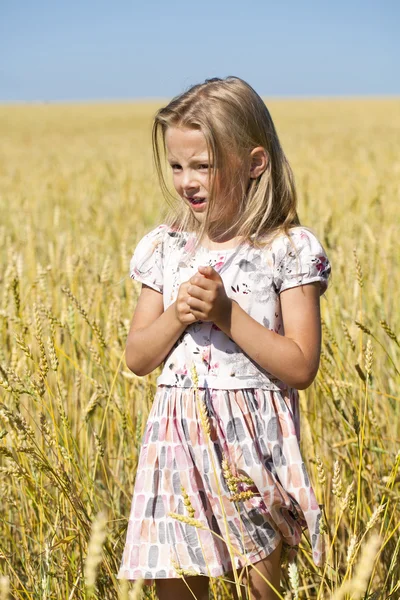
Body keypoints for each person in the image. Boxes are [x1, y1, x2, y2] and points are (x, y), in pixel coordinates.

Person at [117, 76, 331, 600]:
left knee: (260, 589)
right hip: (175, 441)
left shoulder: (286, 248)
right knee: (176, 587)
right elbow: (138, 357)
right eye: (176, 166)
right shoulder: (165, 248)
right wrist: (177, 317)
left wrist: (226, 313)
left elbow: (301, 366)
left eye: (203, 166)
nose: (186, 181)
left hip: (250, 446)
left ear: (255, 163)